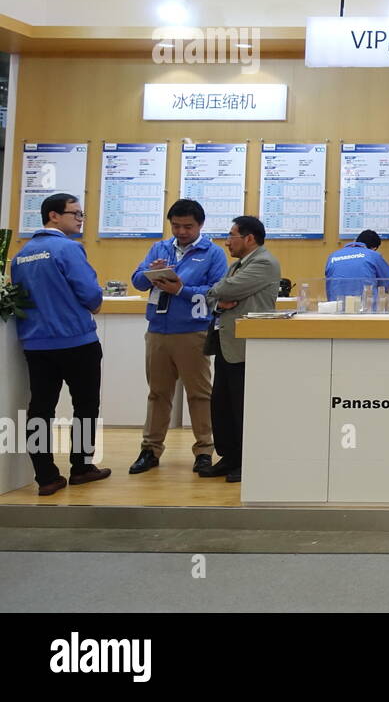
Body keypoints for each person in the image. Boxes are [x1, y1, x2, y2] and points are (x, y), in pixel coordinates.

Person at [10, 193, 111, 496]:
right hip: (76, 341)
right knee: (85, 406)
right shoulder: (68, 249)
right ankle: (80, 467)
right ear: (53, 216)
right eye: (75, 213)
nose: (80, 219)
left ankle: (46, 477)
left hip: (37, 344)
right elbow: (91, 294)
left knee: (40, 409)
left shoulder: (21, 255)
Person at [127, 199, 228, 476]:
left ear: (200, 225)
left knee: (199, 394)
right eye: (176, 226)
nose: (181, 232)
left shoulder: (213, 253)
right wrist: (151, 274)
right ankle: (150, 449)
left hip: (193, 332)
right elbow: (137, 280)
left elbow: (216, 291)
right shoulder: (159, 247)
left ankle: (205, 451)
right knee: (158, 394)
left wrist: (180, 289)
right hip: (158, 330)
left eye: (188, 226)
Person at [199, 216, 281, 483]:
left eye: (232, 235)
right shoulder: (237, 265)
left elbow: (224, 288)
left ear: (249, 238)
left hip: (247, 347)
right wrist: (219, 301)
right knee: (221, 404)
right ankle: (229, 456)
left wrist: (218, 295)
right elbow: (215, 295)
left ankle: (247, 460)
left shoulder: (264, 263)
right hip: (227, 343)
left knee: (242, 407)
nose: (226, 241)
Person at [324, 229, 389, 302]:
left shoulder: (333, 256)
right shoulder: (373, 255)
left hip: (336, 308)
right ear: (374, 248)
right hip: (366, 308)